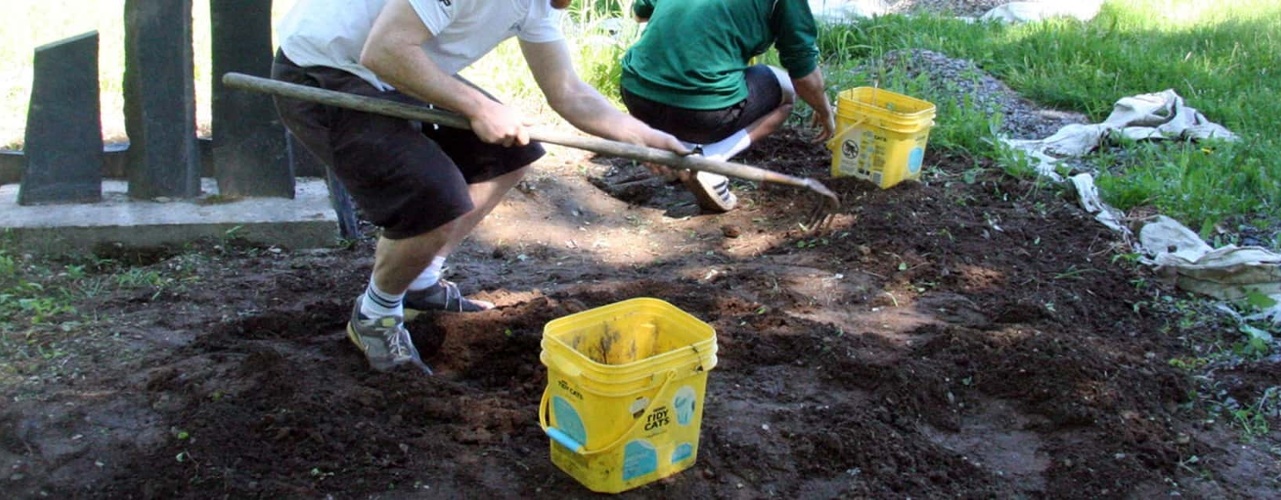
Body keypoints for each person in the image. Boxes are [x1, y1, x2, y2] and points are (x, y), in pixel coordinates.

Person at [271, 0, 688, 374]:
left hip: (388, 71)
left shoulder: (539, 5)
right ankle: (375, 315)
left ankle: (419, 284)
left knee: (509, 157)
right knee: (433, 198)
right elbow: (384, 50)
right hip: (325, 69)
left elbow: (569, 92)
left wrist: (641, 137)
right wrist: (478, 105)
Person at [620, 0, 837, 213]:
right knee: (786, 89)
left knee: (689, 91)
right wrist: (825, 111)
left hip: (636, 94)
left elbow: (640, 12)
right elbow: (803, 76)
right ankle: (711, 161)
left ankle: (680, 153)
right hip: (702, 113)